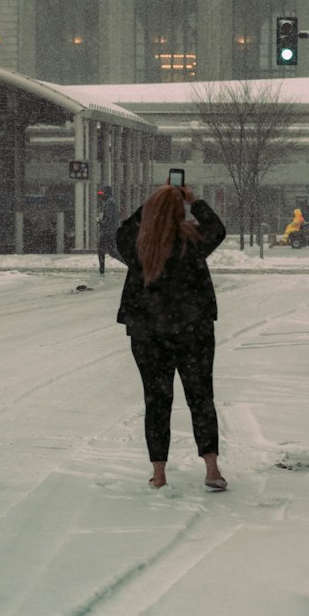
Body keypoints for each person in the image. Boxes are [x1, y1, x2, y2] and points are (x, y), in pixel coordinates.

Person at [116, 182, 227, 492]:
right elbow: (217, 229)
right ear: (181, 210)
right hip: (193, 332)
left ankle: (159, 473)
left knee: (157, 401)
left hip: (148, 334)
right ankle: (212, 468)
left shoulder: (138, 243)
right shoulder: (192, 240)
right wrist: (195, 201)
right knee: (201, 397)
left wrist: (151, 206)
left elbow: (121, 231)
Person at [96, 185, 124, 276]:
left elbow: (108, 217)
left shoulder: (109, 203)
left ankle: (102, 269)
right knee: (112, 251)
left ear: (107, 193)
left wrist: (101, 222)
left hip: (107, 231)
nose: (101, 196)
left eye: (102, 193)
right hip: (112, 230)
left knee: (101, 250)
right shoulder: (112, 202)